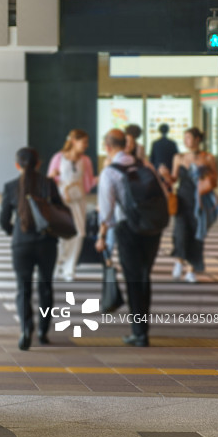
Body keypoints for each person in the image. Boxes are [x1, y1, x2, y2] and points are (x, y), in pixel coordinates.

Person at [95, 129, 163, 347]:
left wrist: (102, 235)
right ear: (125, 144)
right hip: (152, 227)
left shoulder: (110, 172)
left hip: (129, 229)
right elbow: (163, 193)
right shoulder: (145, 166)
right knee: (144, 277)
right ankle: (142, 330)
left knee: (134, 280)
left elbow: (106, 212)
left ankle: (139, 333)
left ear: (107, 147)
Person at [0, 147, 69, 351]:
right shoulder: (48, 184)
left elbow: (3, 220)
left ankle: (25, 328)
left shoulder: (11, 186)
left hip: (21, 244)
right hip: (47, 243)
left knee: (23, 288)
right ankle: (43, 332)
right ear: (39, 164)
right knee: (45, 286)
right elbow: (60, 211)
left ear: (17, 165)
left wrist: (15, 232)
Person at [159, 127, 218, 283]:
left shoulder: (208, 158)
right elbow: (173, 179)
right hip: (182, 199)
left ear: (198, 139)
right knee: (180, 232)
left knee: (197, 235)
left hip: (199, 202)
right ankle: (179, 260)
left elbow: (215, 181)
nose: (186, 141)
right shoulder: (178, 157)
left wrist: (205, 178)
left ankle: (191, 270)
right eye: (184, 138)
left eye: (189, 137)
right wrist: (165, 175)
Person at [47, 129, 97, 281]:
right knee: (60, 234)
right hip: (61, 201)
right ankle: (57, 266)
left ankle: (70, 269)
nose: (86, 145)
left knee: (78, 233)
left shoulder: (86, 161)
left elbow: (88, 184)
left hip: (78, 201)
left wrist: (101, 177)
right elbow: (49, 180)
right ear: (74, 141)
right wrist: (52, 176)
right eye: (84, 142)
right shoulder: (58, 157)